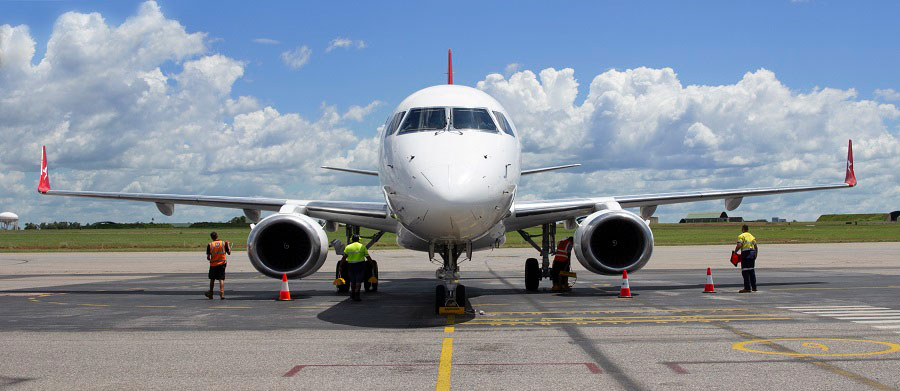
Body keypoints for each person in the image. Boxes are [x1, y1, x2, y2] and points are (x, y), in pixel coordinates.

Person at [340, 234, 374, 301]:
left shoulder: (348, 247)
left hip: (351, 266)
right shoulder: (362, 247)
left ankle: (352, 294)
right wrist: (372, 264)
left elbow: (344, 258)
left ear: (351, 240)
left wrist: (340, 266)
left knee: (352, 281)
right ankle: (357, 295)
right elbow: (368, 257)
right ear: (359, 239)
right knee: (358, 281)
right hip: (360, 265)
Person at [205, 232, 231, 300]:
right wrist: (228, 245)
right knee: (221, 279)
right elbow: (229, 253)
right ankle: (222, 294)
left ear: (211, 237)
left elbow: (208, 257)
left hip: (213, 264)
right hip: (222, 263)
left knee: (212, 279)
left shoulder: (210, 245)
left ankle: (211, 293)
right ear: (217, 236)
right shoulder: (223, 243)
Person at [734, 225, 758, 293]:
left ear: (743, 229)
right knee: (751, 271)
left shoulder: (741, 236)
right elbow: (756, 247)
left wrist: (735, 252)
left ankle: (747, 288)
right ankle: (754, 287)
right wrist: (755, 255)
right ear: (748, 229)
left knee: (745, 271)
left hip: (745, 254)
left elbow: (739, 245)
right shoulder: (752, 236)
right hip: (752, 254)